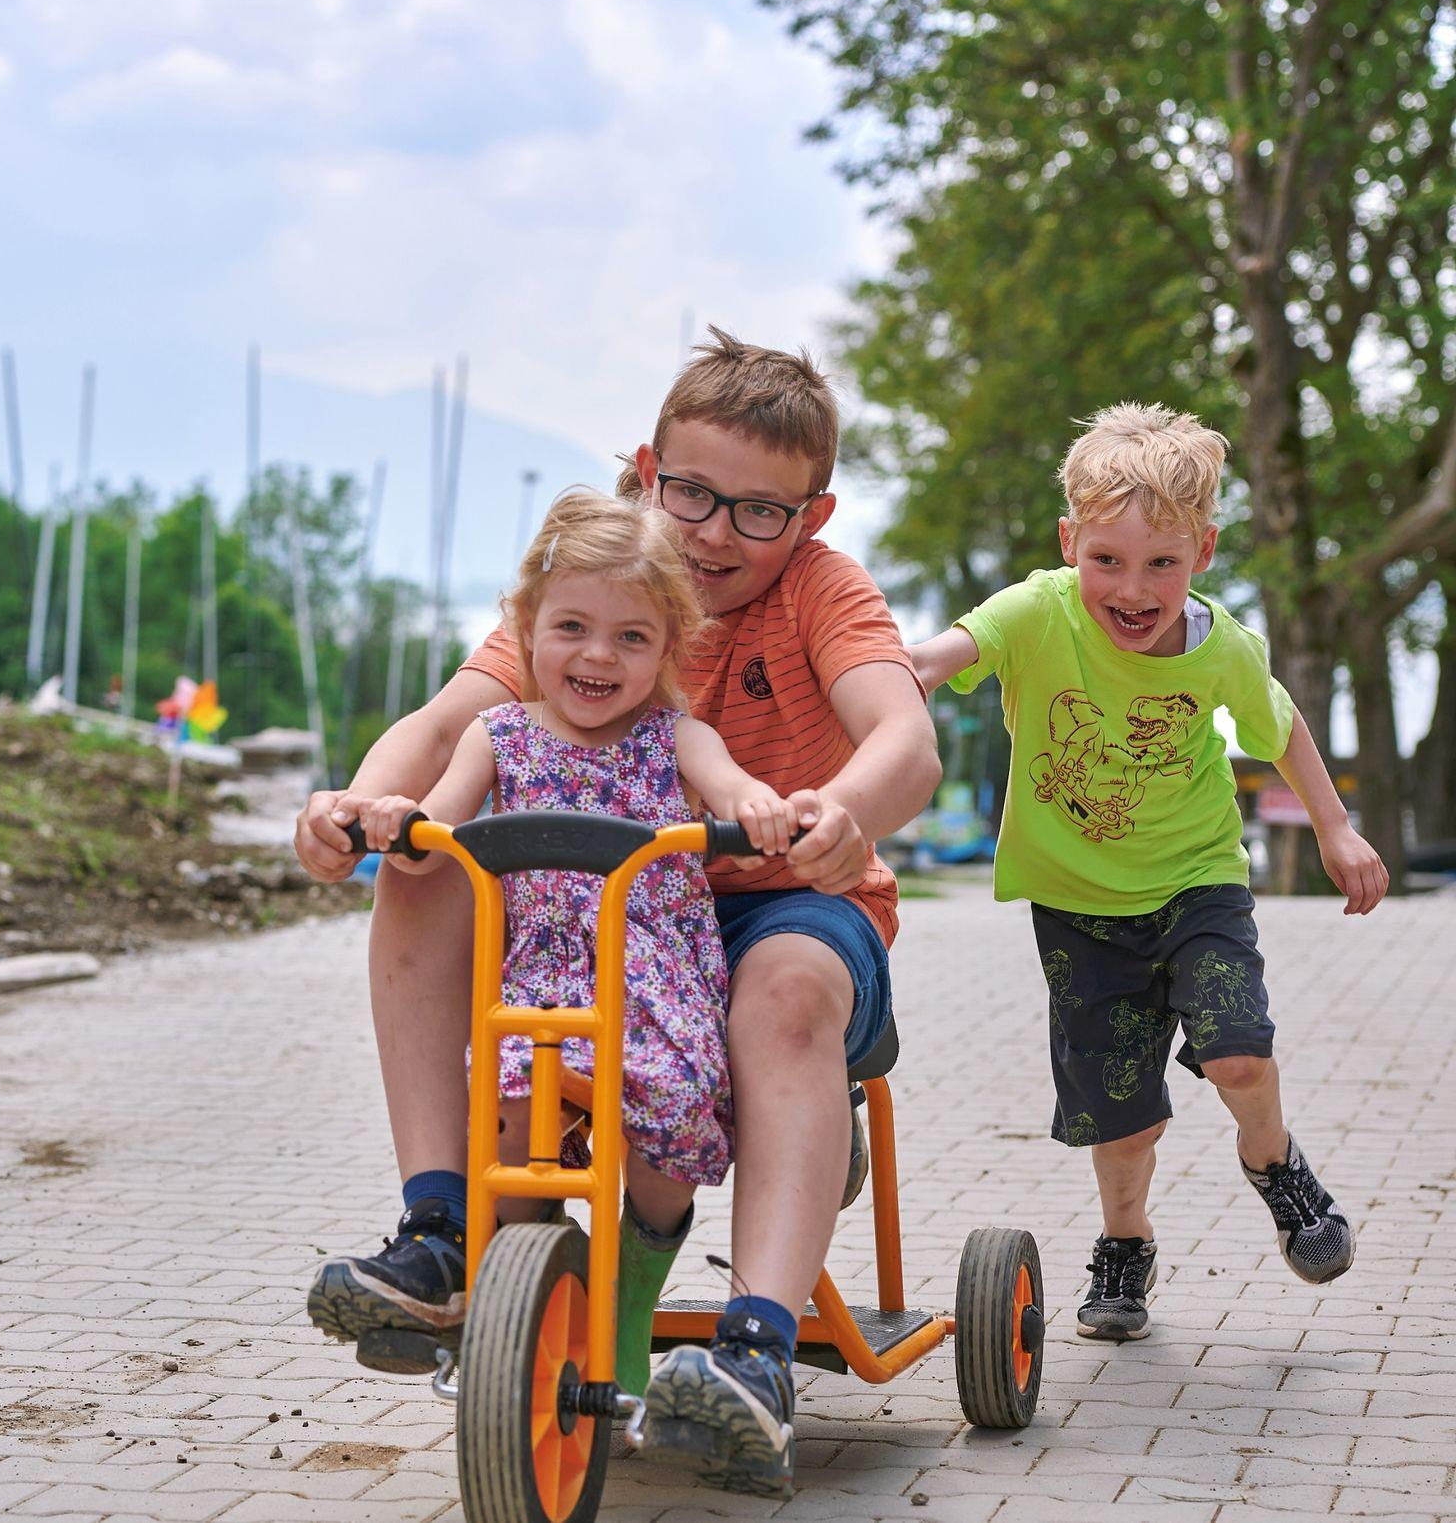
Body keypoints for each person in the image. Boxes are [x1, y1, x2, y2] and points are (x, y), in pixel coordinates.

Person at [296, 329, 941, 1495]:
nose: (714, 533)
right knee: (423, 866)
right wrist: (360, 802)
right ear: (647, 470)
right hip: (595, 910)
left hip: (776, 900)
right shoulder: (600, 582)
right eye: (691, 492)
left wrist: (838, 815)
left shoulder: (820, 590)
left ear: (810, 516)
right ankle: (439, 1230)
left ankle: (754, 1350)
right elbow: (446, 726)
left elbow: (903, 736)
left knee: (784, 989)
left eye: (758, 511)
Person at [910, 403, 1388, 1343]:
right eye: (1107, 561)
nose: (1133, 590)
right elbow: (934, 657)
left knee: (1237, 1051)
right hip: (1078, 909)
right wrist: (888, 677)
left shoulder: (1220, 646)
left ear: (1203, 551)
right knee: (1124, 1121)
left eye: (1162, 564)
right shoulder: (1036, 611)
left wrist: (1337, 829)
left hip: (1197, 882)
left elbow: (1280, 726)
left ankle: (1275, 1163)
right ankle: (1125, 1245)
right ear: (1069, 544)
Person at [332, 490, 798, 1398]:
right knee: (507, 1130)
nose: (597, 655)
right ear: (526, 627)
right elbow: (436, 827)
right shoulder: (497, 734)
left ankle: (631, 1293)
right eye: (573, 627)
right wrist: (395, 817)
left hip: (655, 978)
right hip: (538, 981)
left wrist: (757, 809)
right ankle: (516, 1291)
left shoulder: (679, 738)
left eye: (632, 637)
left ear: (669, 647)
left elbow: (735, 788)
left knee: (666, 1151)